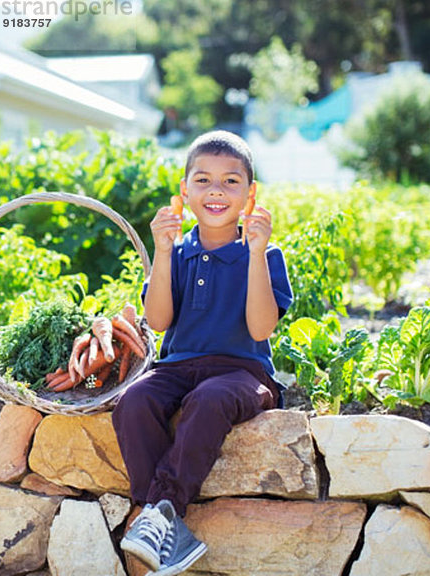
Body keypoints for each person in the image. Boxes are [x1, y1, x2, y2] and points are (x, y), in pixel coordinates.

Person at [112, 130, 293, 575]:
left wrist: (252, 254)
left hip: (242, 372)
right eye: (203, 180)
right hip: (176, 366)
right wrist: (161, 250)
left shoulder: (265, 254)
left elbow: (260, 327)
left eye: (231, 182)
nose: (216, 190)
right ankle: (166, 525)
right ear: (184, 192)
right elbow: (156, 322)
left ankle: (155, 514)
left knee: (207, 401)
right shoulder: (177, 253)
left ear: (250, 195)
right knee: (134, 401)